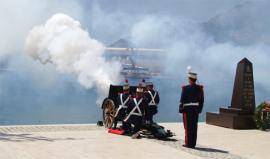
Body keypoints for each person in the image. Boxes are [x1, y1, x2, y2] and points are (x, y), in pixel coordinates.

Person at [179, 67, 204, 148]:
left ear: (190, 79)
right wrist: (199, 109)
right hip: (196, 110)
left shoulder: (185, 88)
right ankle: (193, 143)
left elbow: (182, 100)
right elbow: (201, 100)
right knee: (194, 126)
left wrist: (180, 109)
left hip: (187, 109)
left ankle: (188, 143)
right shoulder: (200, 88)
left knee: (187, 126)